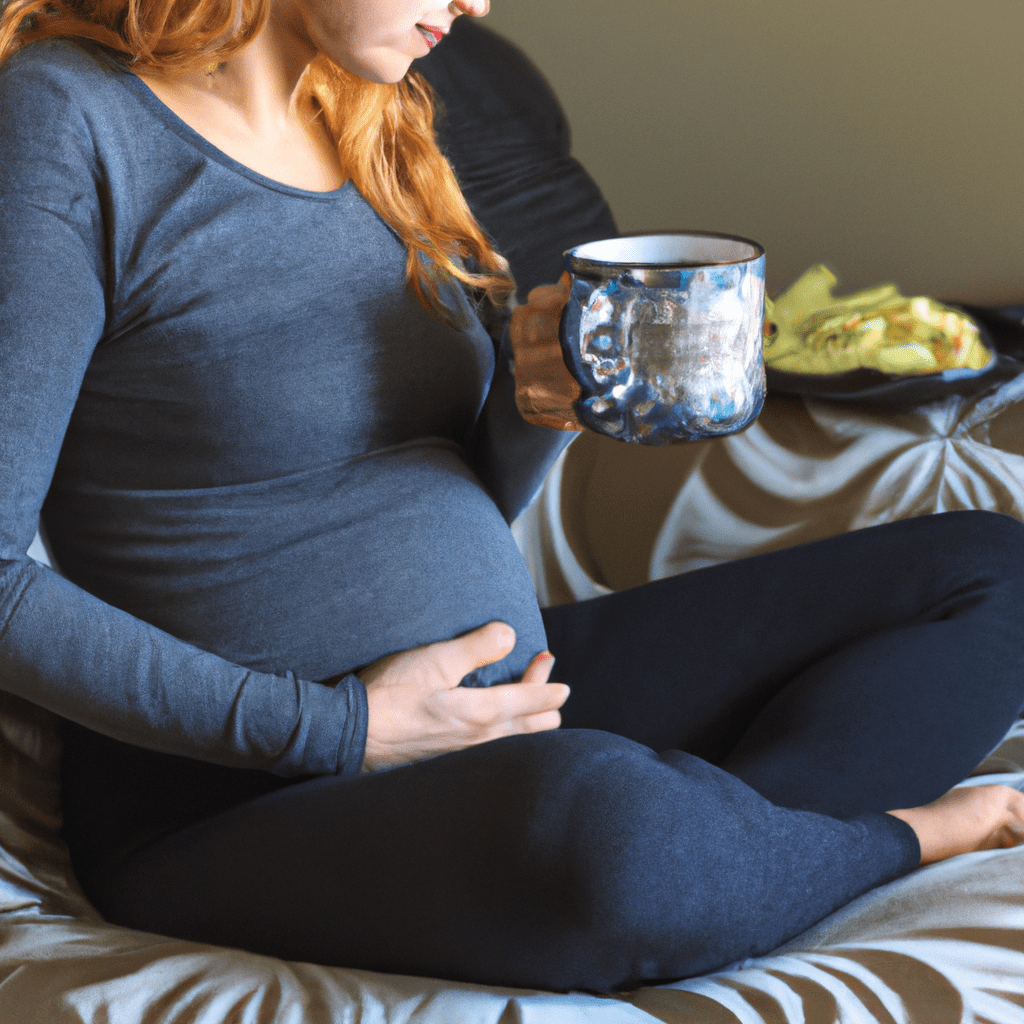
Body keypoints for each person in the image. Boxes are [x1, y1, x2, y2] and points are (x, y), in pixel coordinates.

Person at [1, 0, 1023, 994]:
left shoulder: (371, 108)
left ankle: (726, 857)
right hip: (243, 787)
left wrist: (538, 407)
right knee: (606, 836)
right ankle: (875, 841)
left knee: (987, 573)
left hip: (507, 707)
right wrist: (335, 731)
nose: (475, 5)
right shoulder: (67, 117)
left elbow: (446, 488)